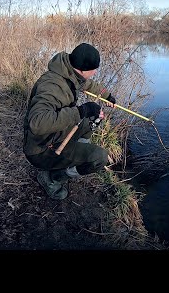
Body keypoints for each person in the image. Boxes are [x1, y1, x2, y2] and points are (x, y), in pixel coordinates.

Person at [23, 43, 116, 200]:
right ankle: (53, 178)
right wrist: (81, 111)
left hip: (54, 135)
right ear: (82, 70)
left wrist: (106, 95)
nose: (95, 72)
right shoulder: (52, 86)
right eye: (94, 69)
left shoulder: (68, 71)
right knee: (99, 157)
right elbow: (37, 122)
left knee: (89, 121)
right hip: (41, 149)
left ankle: (72, 158)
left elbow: (89, 84)